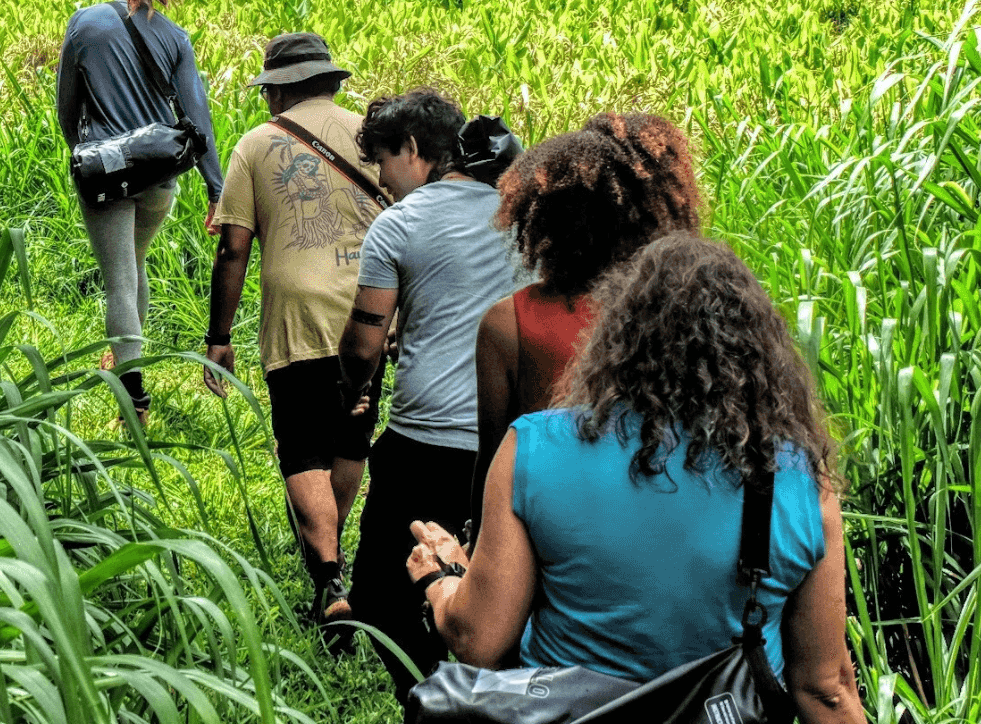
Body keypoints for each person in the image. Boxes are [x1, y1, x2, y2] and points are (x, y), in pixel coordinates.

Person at [408, 236, 865, 724]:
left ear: (619, 338)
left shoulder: (535, 448)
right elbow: (824, 690)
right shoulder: (793, 478)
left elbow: (479, 641)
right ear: (756, 351)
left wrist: (444, 579)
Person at [204, 32, 387, 643]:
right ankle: (334, 552)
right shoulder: (374, 137)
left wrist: (219, 335)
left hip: (295, 313)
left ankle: (330, 578)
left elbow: (233, 247)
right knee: (350, 436)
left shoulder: (256, 146)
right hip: (369, 308)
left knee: (302, 446)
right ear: (331, 81)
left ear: (279, 88)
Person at [335, 89, 516, 693]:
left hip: (424, 439)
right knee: (501, 585)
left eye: (384, 162)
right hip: (513, 444)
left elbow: (362, 345)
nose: (383, 181)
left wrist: (353, 391)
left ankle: (427, 694)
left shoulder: (401, 224)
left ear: (413, 149)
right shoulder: (523, 219)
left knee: (381, 594)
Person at [471, 112, 703, 515]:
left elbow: (494, 464)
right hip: (665, 513)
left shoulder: (508, 322)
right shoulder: (687, 310)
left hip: (550, 522)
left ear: (547, 217)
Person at [56, 0, 224, 424]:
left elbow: (67, 102)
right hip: (159, 173)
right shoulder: (175, 38)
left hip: (107, 173)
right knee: (135, 266)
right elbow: (198, 118)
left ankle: (134, 404)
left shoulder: (85, 22)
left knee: (119, 286)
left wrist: (81, 150)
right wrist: (216, 188)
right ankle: (126, 355)